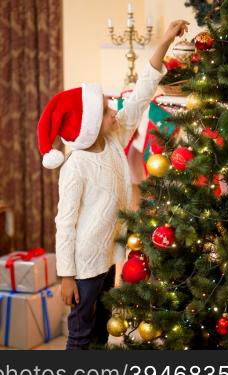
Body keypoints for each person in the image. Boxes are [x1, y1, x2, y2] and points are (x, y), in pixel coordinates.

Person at [37, 20, 189, 350]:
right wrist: (66, 275)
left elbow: (142, 92)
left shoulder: (114, 139)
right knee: (80, 334)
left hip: (107, 259)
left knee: (102, 331)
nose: (114, 113)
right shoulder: (76, 165)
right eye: (106, 111)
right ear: (89, 124)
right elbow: (65, 223)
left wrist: (164, 39)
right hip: (83, 266)